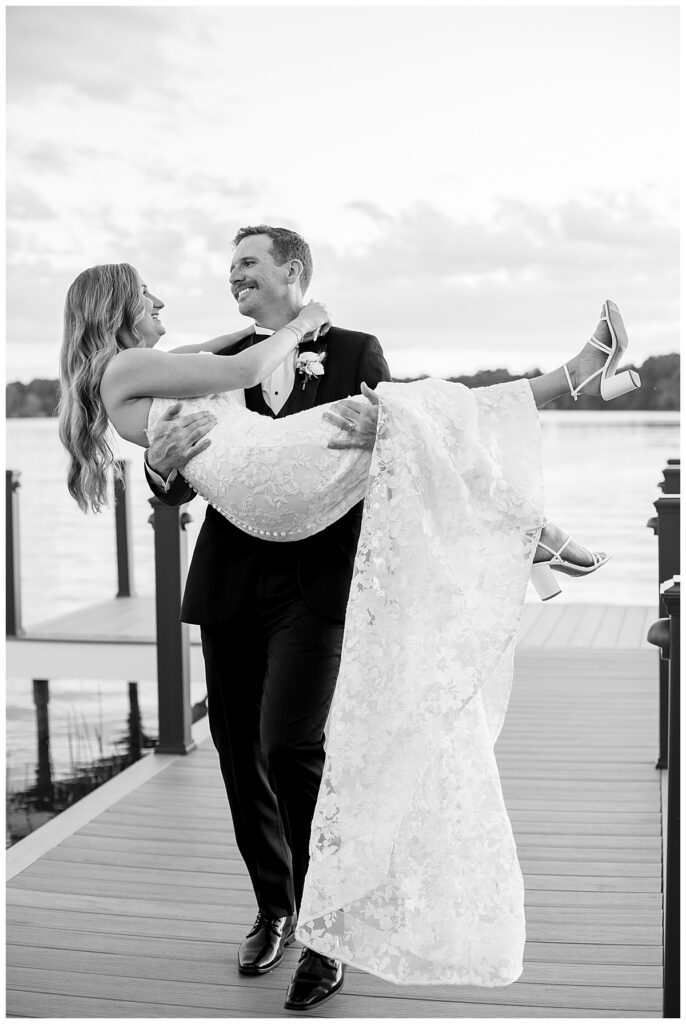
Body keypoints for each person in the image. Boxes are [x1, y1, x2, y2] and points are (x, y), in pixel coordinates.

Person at [58, 255, 638, 1009]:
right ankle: (276, 909)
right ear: (117, 310)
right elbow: (182, 462)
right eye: (229, 271)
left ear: (292, 270)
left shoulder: (351, 348)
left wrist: (330, 365)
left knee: (290, 744)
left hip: (314, 565)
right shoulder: (199, 360)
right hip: (236, 574)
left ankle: (324, 931)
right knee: (242, 760)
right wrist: (163, 473)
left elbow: (345, 413)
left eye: (250, 266)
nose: (231, 280)